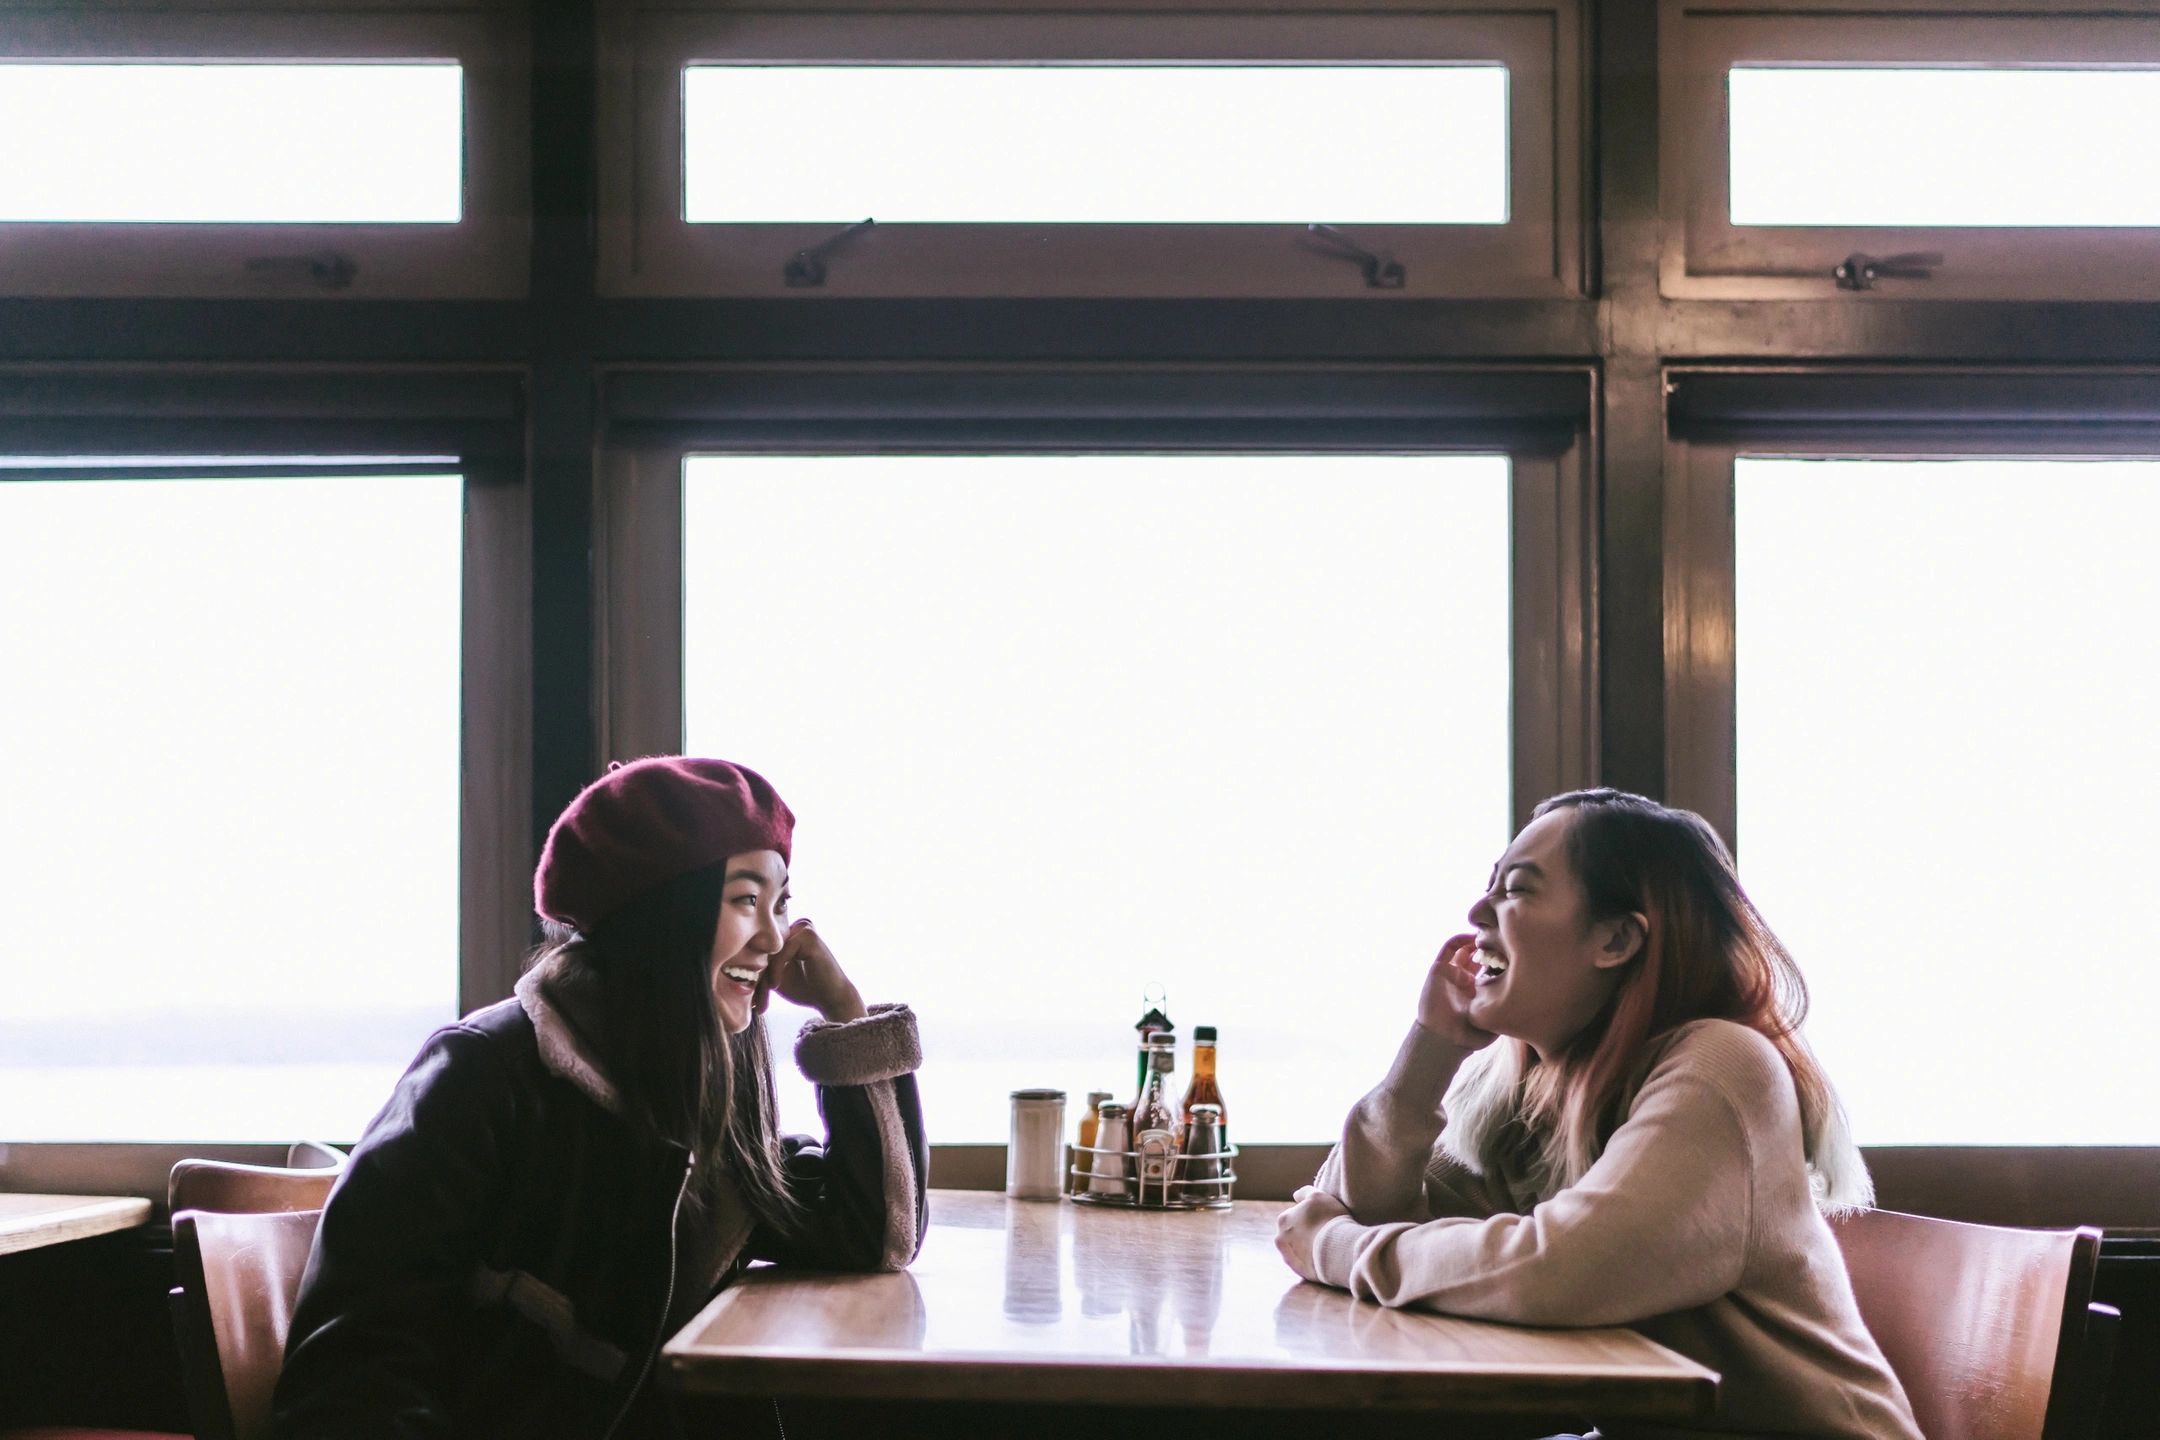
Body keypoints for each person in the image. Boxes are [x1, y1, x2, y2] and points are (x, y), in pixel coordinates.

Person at [274, 756, 927, 1439]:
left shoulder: (704, 1082)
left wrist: (847, 1015)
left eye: (780, 903)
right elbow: (351, 1379)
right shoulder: (483, 1074)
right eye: (744, 899)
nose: (773, 938)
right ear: (662, 912)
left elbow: (871, 1237)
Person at [1274, 789, 1921, 1440]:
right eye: (1489, 886)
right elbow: (1358, 1212)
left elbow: (1559, 1272)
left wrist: (1336, 1248)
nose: (1476, 911)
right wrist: (1427, 1055)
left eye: (1517, 890)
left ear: (1615, 939)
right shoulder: (1529, 1083)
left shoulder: (1722, 1067)